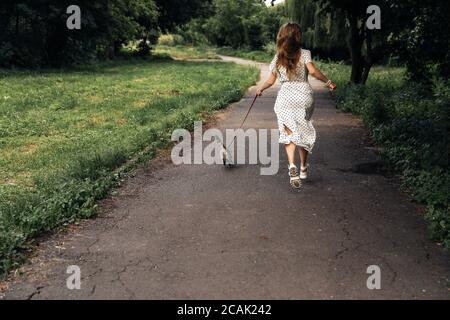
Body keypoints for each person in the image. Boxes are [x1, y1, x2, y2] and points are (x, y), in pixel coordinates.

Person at [256, 22, 337, 189]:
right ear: (298, 36)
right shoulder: (305, 53)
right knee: (302, 130)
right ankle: (303, 168)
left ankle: (291, 165)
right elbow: (313, 72)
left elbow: (271, 81)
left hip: (285, 98)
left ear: (281, 36)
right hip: (303, 96)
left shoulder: (278, 57)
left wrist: (260, 89)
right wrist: (328, 82)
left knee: (289, 131)